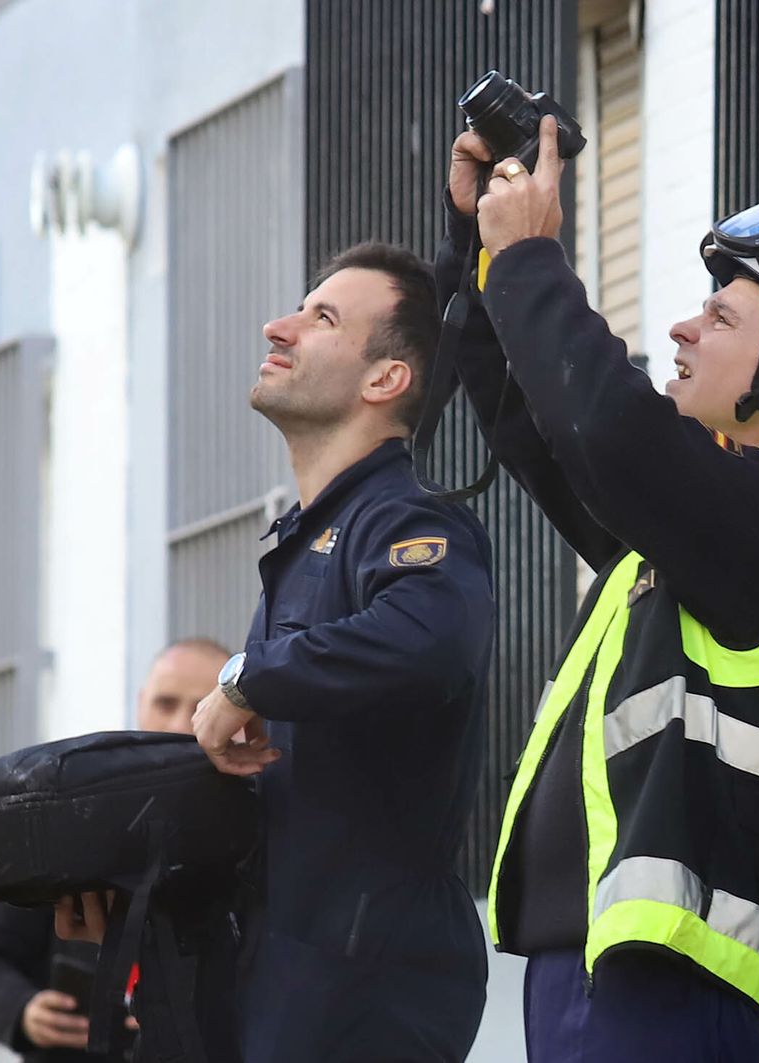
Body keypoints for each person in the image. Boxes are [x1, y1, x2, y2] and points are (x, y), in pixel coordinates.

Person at [442, 119, 759, 1061]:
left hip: (658, 995)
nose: (682, 325)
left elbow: (606, 430)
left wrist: (535, 252)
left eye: (723, 316)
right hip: (602, 976)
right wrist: (480, 248)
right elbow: (540, 421)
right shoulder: (709, 521)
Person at [187, 242, 497, 1062]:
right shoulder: (315, 534)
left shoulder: (407, 521)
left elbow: (433, 639)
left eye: (320, 317)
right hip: (288, 984)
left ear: (384, 379)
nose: (276, 326)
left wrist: (250, 679)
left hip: (365, 993)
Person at [0, 637, 230, 1061]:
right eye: (165, 702)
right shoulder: (69, 814)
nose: (178, 723)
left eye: (198, 707)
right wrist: (23, 1011)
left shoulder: (256, 823)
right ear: (140, 703)